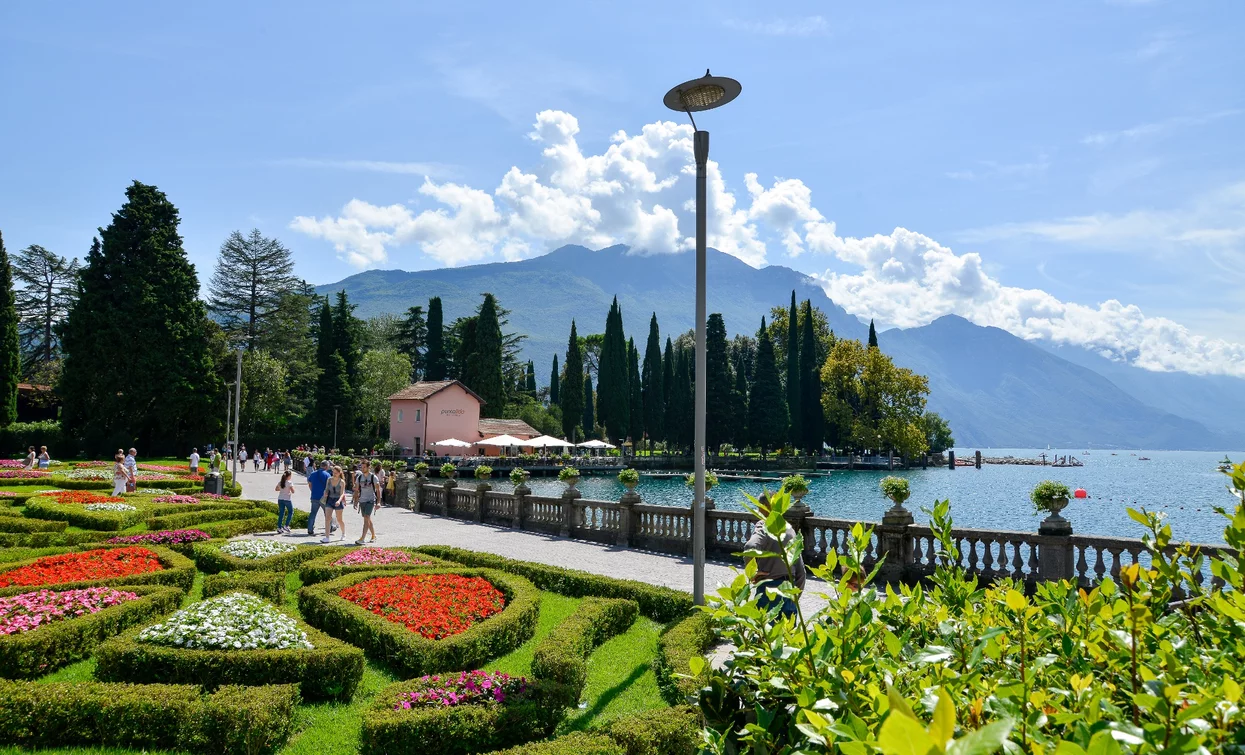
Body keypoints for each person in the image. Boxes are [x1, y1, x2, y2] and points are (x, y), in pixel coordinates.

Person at [744, 493, 807, 618]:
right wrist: (795, 597)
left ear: (763, 507)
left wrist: (753, 572)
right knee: (788, 635)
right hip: (789, 588)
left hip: (769, 589)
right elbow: (801, 571)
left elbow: (750, 546)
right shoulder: (789, 528)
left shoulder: (764, 525)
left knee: (766, 634)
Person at [353, 460, 380, 545]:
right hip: (362, 500)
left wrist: (378, 502)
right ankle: (373, 535)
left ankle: (362, 538)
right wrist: (355, 501)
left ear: (369, 467)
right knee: (367, 518)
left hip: (370, 500)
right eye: (362, 467)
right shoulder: (359, 477)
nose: (363, 468)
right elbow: (356, 490)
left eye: (364, 467)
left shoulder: (373, 477)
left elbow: (378, 490)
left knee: (366, 517)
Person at [306, 460, 334, 537]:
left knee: (313, 513)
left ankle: (310, 529)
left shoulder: (313, 473)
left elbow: (310, 484)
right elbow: (329, 486)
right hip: (324, 498)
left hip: (314, 496)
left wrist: (313, 491)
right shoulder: (327, 475)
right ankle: (330, 528)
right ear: (325, 466)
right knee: (327, 513)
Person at [323, 465, 347, 543]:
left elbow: (342, 493)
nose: (334, 474)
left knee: (339, 519)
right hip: (329, 499)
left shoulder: (342, 482)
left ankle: (343, 533)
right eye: (333, 472)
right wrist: (325, 493)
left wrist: (339, 501)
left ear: (339, 473)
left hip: (337, 500)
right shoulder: (329, 480)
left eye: (336, 473)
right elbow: (326, 489)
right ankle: (327, 537)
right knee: (327, 518)